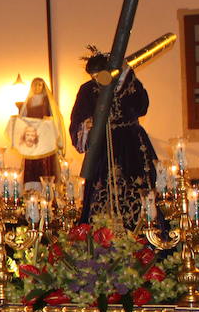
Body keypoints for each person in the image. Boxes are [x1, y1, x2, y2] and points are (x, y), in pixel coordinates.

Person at [67, 50, 157, 226]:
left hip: (132, 145)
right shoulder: (87, 89)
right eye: (92, 76)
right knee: (101, 192)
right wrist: (87, 124)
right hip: (103, 147)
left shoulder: (129, 83)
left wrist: (125, 74)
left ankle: (143, 231)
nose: (96, 79)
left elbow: (141, 107)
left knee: (137, 189)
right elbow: (77, 119)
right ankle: (101, 235)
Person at [8, 77, 64, 185]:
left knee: (45, 164)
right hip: (32, 138)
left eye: (39, 85)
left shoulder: (47, 101)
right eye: (35, 85)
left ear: (43, 86)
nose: (37, 87)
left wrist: (46, 122)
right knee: (31, 164)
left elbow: (54, 118)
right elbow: (23, 117)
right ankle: (32, 190)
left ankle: (47, 188)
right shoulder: (28, 101)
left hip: (43, 139)